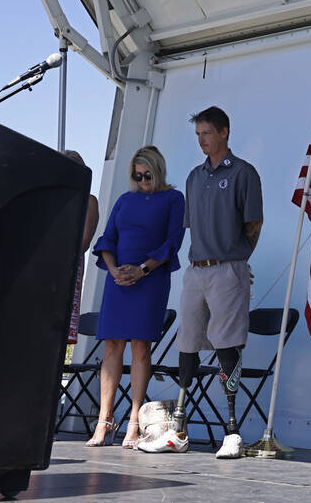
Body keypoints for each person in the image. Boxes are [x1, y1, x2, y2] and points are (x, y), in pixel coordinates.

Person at [140, 106, 263, 458]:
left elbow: (253, 225)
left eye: (207, 133)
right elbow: (193, 226)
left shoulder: (243, 173)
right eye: (198, 135)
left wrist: (239, 262)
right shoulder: (195, 177)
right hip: (196, 269)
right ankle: (178, 428)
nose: (202, 141)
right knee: (188, 342)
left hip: (228, 268)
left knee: (227, 342)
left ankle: (232, 431)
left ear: (224, 132)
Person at [85, 146, 185, 448]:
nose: (142, 180)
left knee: (141, 347)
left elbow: (173, 241)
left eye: (147, 174)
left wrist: (142, 270)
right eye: (136, 175)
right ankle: (104, 420)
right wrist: (114, 269)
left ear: (158, 171)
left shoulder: (173, 198)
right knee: (112, 346)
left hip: (149, 279)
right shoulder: (124, 200)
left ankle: (134, 421)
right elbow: (107, 239)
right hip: (118, 280)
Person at [64, 149, 100, 346]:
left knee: (61, 326)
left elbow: (84, 242)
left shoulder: (89, 201)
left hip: (68, 264)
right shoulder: (54, 200)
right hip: (45, 265)